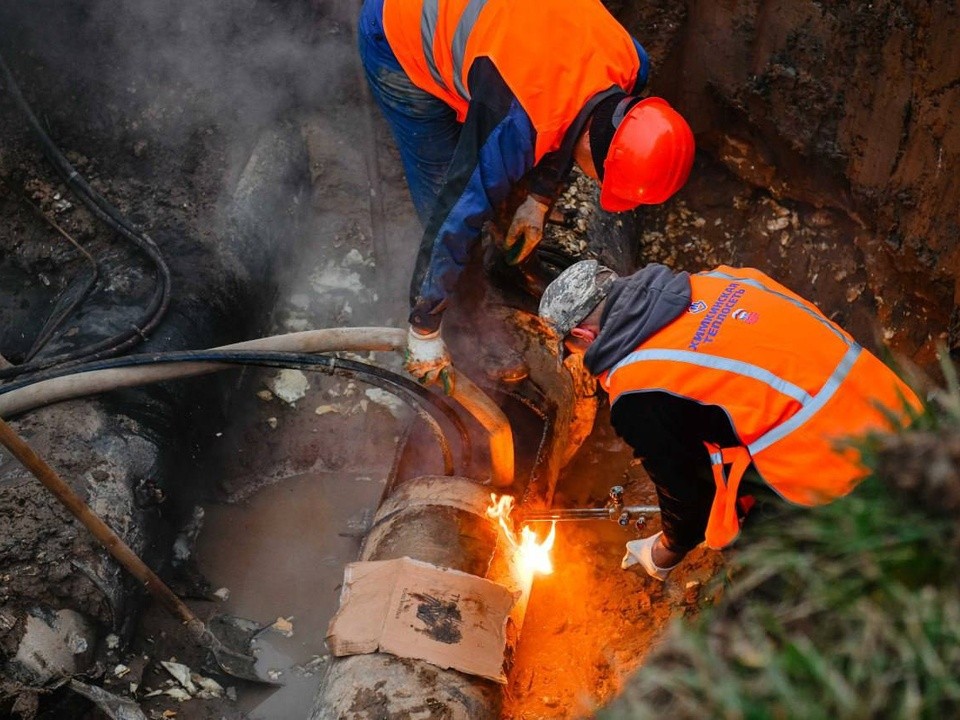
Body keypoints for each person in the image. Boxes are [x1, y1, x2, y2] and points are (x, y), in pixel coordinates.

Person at [357, 0, 696, 392]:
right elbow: (454, 215)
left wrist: (537, 201)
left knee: (502, 160)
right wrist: (423, 326)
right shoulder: (517, 113)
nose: (601, 188)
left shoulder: (631, 63)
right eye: (605, 181)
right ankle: (467, 323)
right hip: (399, 30)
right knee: (444, 188)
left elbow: (573, 122)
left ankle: (505, 262)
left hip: (498, 46)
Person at [538, 260, 923, 580]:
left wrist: (663, 551)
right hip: (897, 409)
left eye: (571, 350)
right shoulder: (719, 280)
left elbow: (690, 496)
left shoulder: (639, 386)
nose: (578, 358)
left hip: (841, 467)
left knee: (759, 563)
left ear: (583, 334)